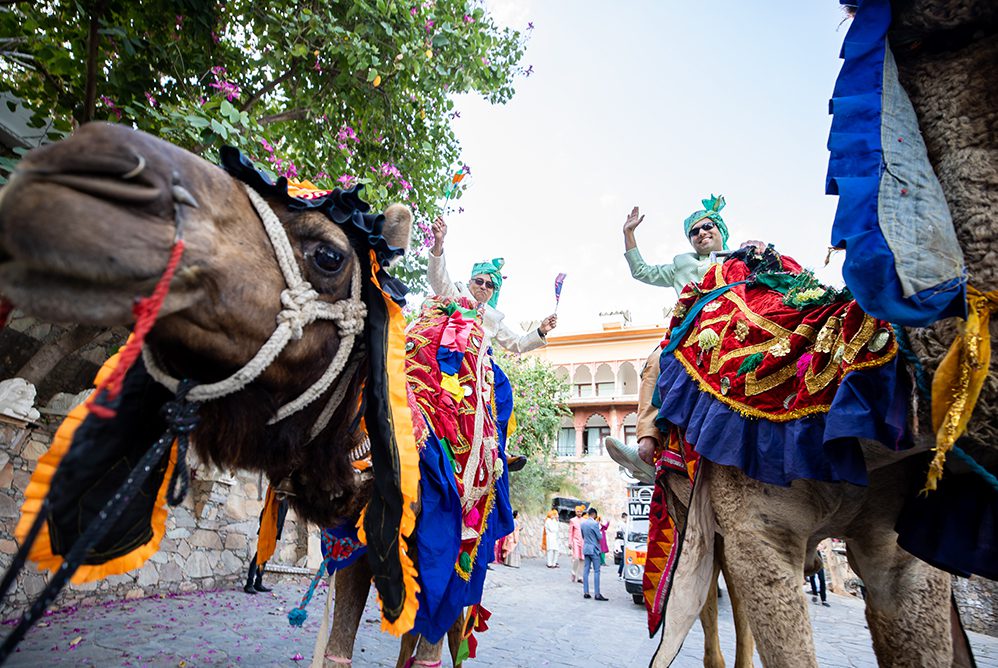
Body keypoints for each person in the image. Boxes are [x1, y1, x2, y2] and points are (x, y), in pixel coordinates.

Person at [607, 197, 762, 468]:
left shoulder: (739, 259)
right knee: (656, 362)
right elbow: (641, 271)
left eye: (707, 227)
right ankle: (646, 445)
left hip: (733, 324)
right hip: (690, 331)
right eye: (694, 231)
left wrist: (759, 251)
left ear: (720, 231)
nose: (701, 233)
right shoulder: (681, 265)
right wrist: (628, 234)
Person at [428, 216, 557, 352]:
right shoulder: (456, 294)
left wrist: (541, 330)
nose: (484, 286)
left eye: (490, 285)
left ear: (493, 292)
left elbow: (517, 344)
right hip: (445, 358)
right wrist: (439, 242)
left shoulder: (493, 317)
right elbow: (437, 277)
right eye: (479, 281)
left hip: (476, 366)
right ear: (470, 282)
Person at [244, 495, 289, 594]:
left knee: (264, 558)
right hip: (268, 531)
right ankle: (249, 584)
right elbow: (264, 513)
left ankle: (258, 582)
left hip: (274, 533)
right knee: (259, 556)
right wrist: (266, 528)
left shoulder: (286, 500)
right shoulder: (276, 499)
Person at [581, 508, 608, 601]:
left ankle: (586, 592)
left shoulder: (583, 523)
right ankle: (597, 593)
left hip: (586, 548)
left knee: (586, 570)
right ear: (594, 514)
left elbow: (583, 536)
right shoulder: (595, 524)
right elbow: (600, 537)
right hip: (594, 549)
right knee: (597, 571)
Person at [568, 505, 586, 583]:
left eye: (580, 512)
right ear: (575, 512)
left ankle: (580, 577)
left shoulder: (584, 520)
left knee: (582, 559)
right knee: (576, 558)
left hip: (583, 541)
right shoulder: (572, 520)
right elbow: (570, 532)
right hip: (575, 541)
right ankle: (573, 573)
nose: (579, 513)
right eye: (578, 511)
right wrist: (570, 542)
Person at [615, 512, 628, 580]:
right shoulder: (623, 524)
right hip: (622, 543)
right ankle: (621, 574)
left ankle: (620, 573)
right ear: (625, 517)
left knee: (623, 558)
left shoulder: (619, 523)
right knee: (624, 559)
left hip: (619, 543)